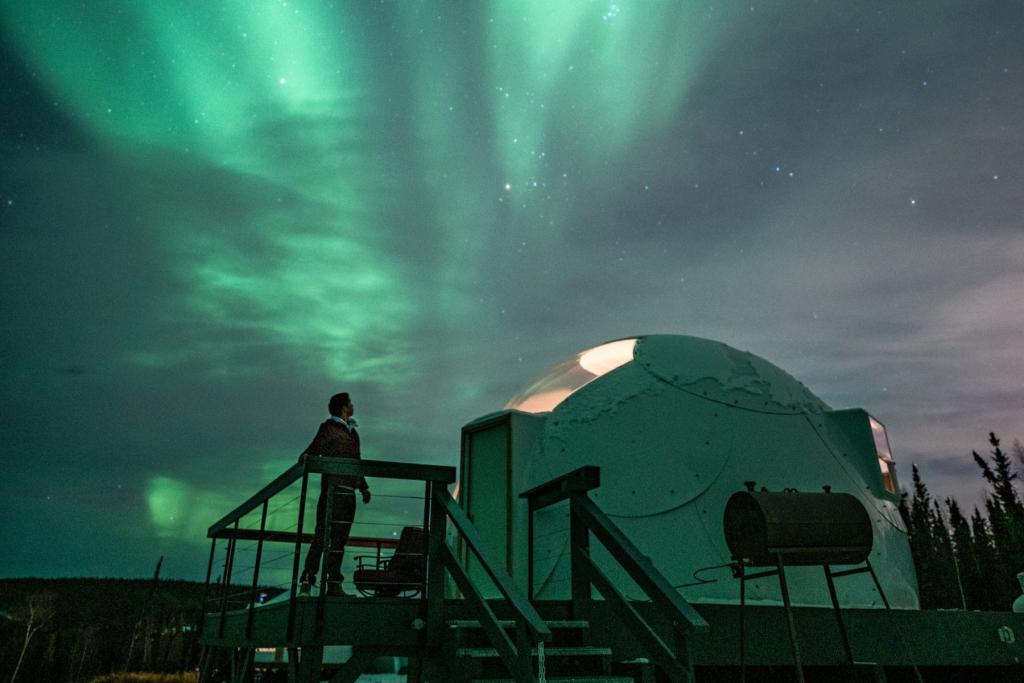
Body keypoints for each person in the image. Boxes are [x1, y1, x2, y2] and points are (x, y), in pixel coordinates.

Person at [298, 392, 371, 596]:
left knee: (340, 541)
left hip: (349, 493)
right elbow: (314, 448)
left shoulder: (353, 433)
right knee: (322, 536)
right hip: (332, 490)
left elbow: (357, 460)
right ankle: (307, 578)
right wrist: (305, 457)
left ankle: (333, 583)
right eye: (351, 402)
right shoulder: (328, 428)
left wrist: (363, 486)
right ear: (344, 407)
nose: (353, 405)